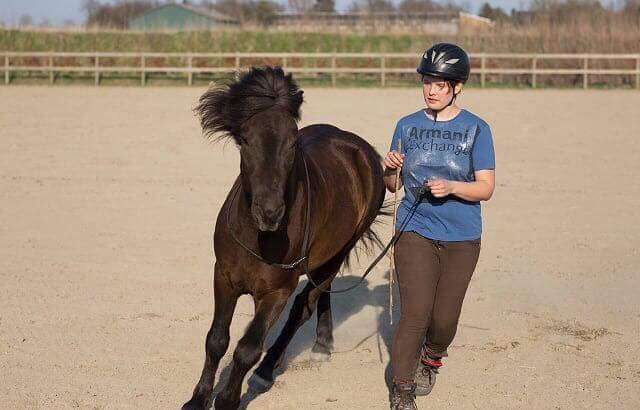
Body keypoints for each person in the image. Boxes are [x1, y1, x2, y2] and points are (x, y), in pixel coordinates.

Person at [384, 43, 496, 410]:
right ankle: (402, 391)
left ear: (457, 86)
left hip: (462, 237)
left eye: (440, 84)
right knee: (415, 313)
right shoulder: (406, 125)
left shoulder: (477, 129)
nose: (431, 90)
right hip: (415, 230)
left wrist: (452, 188)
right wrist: (389, 167)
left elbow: (486, 187)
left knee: (444, 319)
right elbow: (393, 186)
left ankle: (431, 357)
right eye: (427, 82)